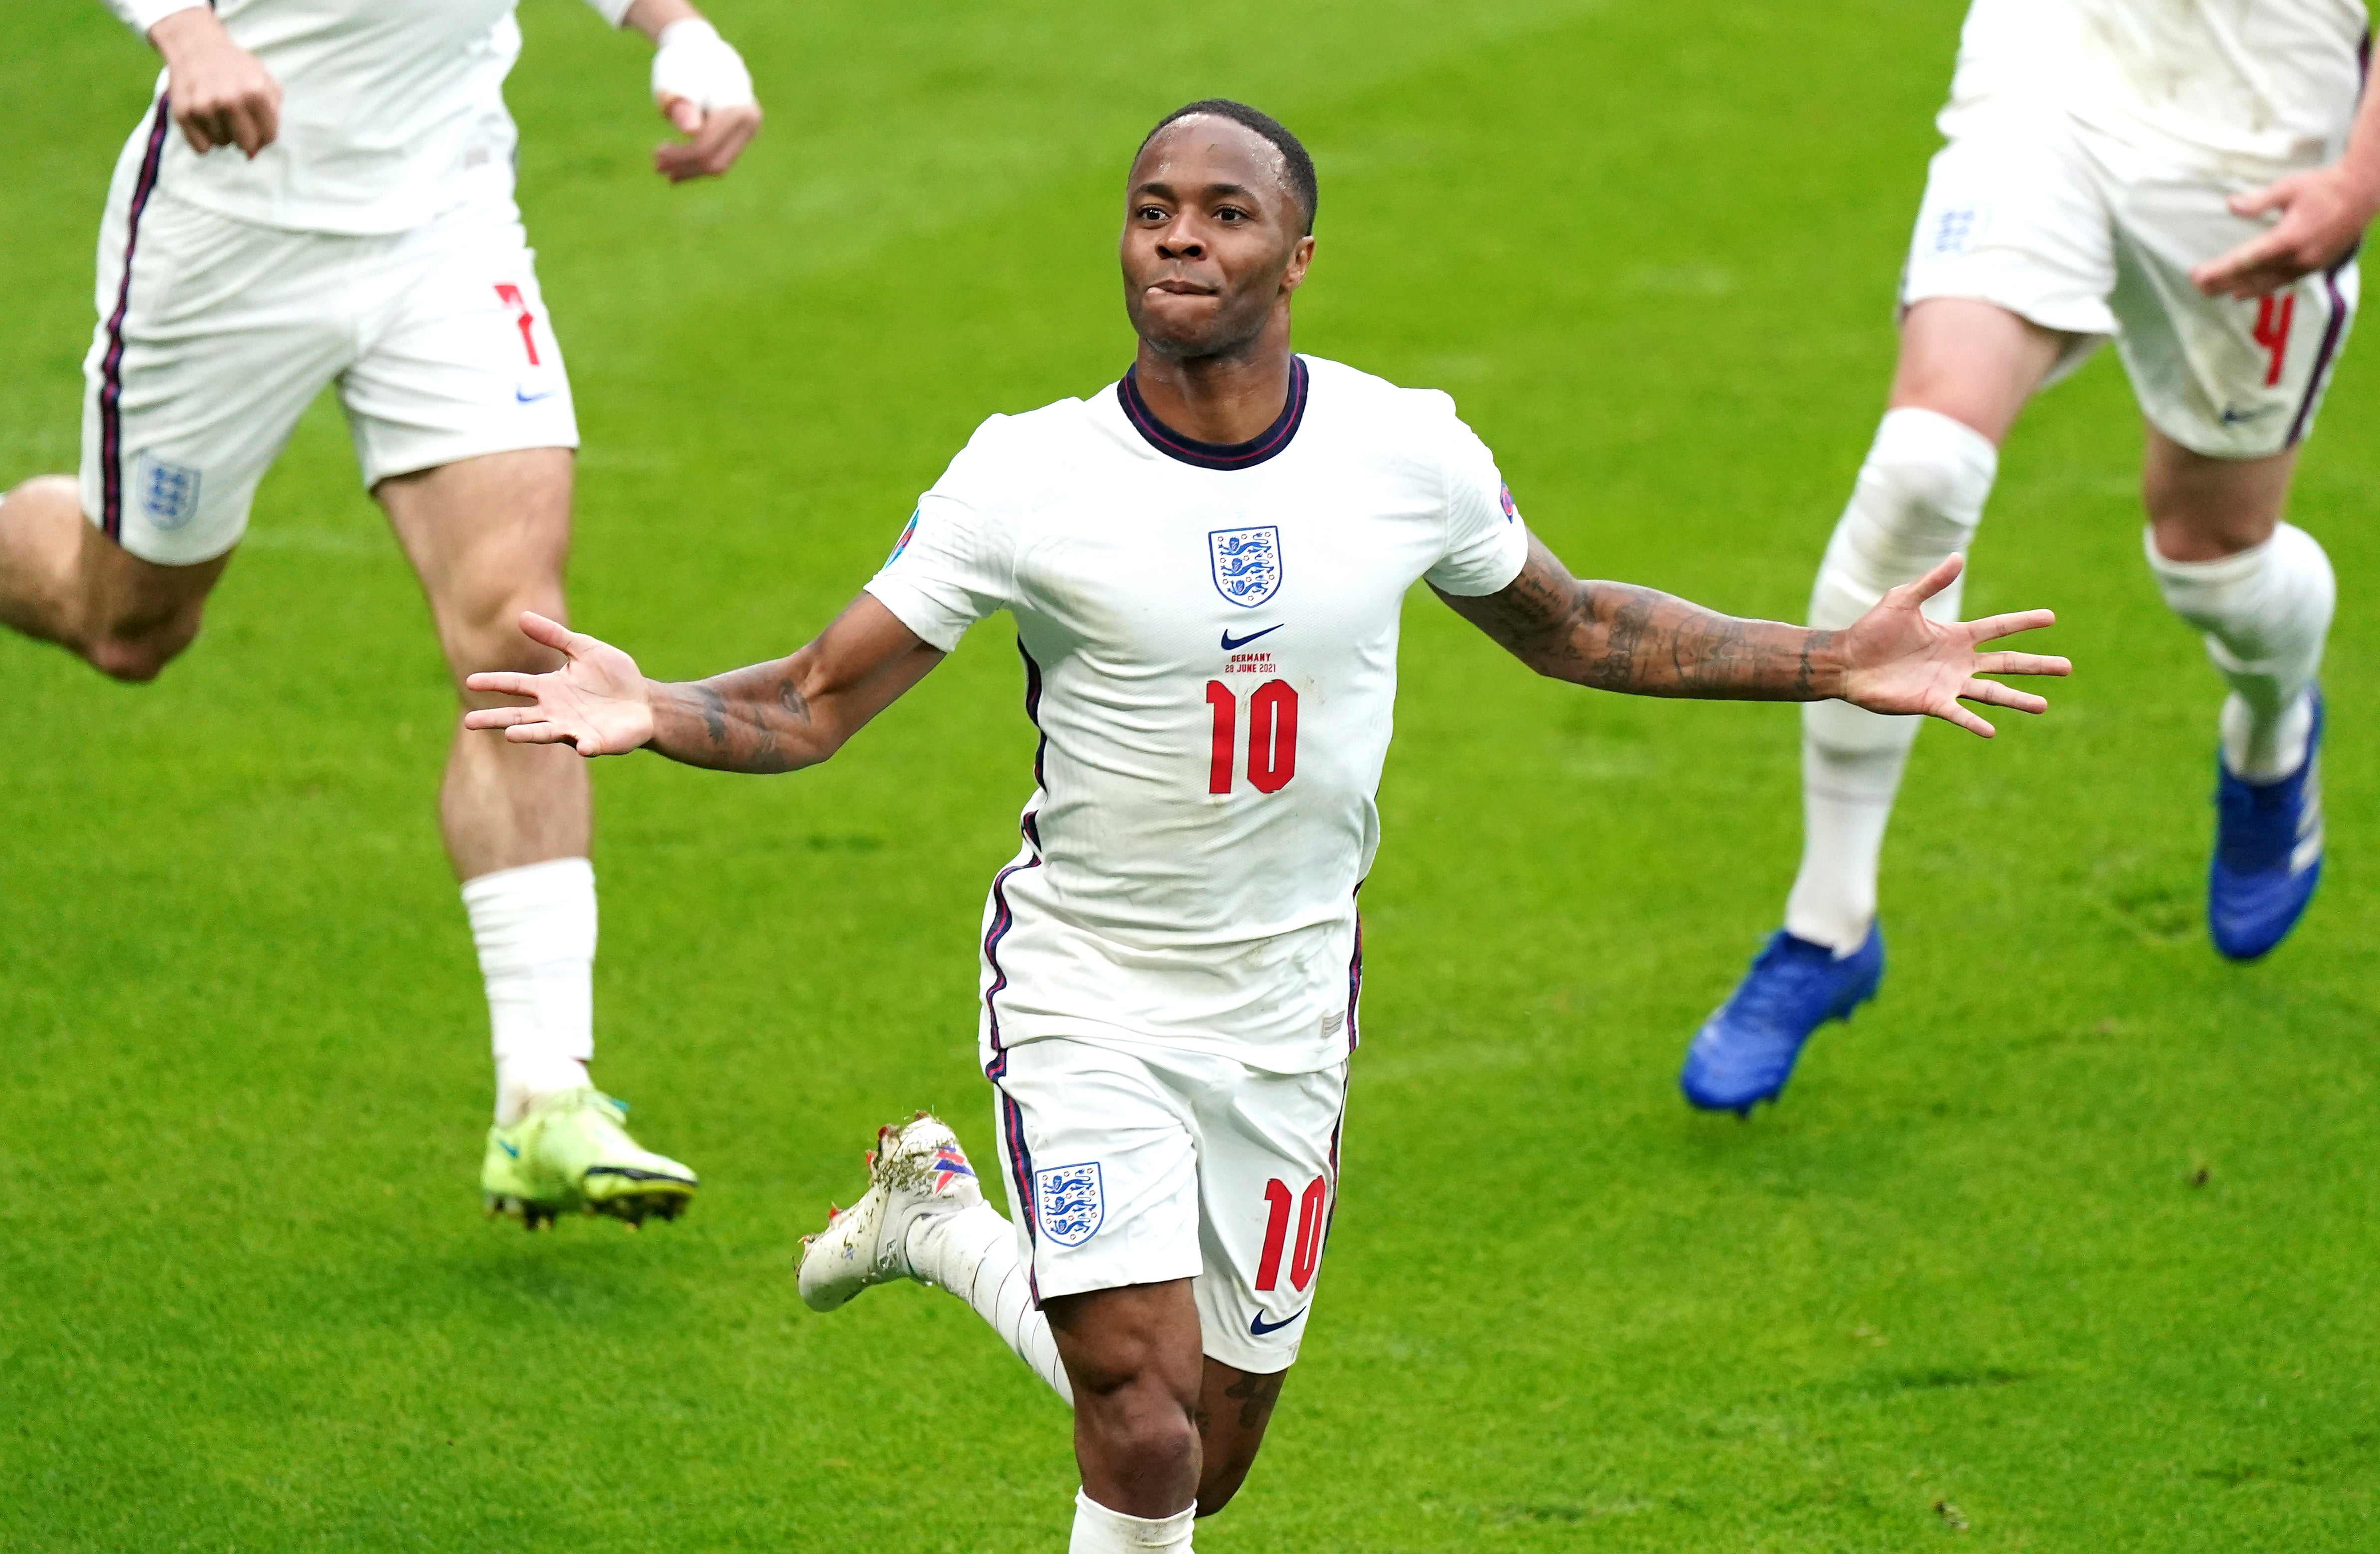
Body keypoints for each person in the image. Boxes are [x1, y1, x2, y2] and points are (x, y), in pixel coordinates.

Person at [459, 100, 2067, 1551]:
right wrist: (654, 706)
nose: (1179, 232)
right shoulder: (1026, 478)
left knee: (1206, 1455)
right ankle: (1001, 1252)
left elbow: (1580, 629)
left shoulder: (1405, 451)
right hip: (1088, 986)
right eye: (1153, 204)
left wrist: (1835, 660)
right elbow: (816, 696)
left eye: (1224, 210)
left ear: (1296, 255)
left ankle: (945, 1226)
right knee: (1138, 1424)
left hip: (1290, 1004)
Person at [0, 0, 762, 1226]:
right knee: (129, 623)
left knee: (520, 629)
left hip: (445, 228)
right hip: (230, 217)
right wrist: (184, 33)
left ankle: (542, 1097)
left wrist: (677, 29)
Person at [1678, 0, 2376, 1116]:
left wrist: (2359, 183)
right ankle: (1829, 921)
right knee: (1923, 465)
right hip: (2048, 82)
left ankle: (2273, 722)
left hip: (2262, 142)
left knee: (2212, 559)